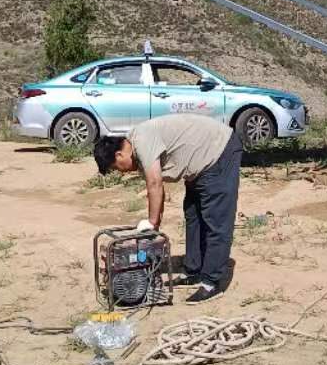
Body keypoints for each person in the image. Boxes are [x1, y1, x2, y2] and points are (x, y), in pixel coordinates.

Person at [94, 113, 241, 303]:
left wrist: (152, 224)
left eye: (116, 167)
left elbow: (155, 183)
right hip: (200, 163)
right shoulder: (139, 141)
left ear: (119, 154)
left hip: (219, 151)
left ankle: (211, 282)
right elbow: (157, 190)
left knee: (216, 219)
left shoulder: (142, 142)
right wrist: (154, 224)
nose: (120, 172)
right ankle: (194, 269)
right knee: (193, 214)